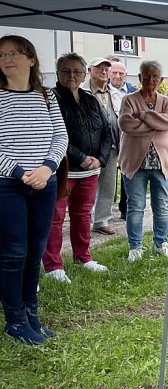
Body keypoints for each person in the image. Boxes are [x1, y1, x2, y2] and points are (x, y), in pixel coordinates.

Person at [0, 35, 68, 344]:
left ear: (31, 59)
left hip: (45, 183)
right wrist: (19, 172)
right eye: (1, 55)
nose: (7, 59)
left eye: (15, 53)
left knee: (34, 252)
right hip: (8, 186)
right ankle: (14, 319)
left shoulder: (47, 96)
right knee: (14, 253)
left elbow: (60, 137)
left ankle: (31, 313)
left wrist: (47, 168)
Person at [42, 54, 112, 284]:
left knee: (83, 215)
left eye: (76, 71)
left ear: (84, 74)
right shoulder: (50, 98)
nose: (71, 75)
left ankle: (83, 257)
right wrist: (80, 157)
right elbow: (53, 134)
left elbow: (106, 131)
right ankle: (53, 265)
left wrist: (100, 159)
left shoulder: (91, 99)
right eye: (66, 71)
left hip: (90, 171)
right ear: (58, 73)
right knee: (55, 217)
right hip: (63, 170)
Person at [119, 61, 168, 263]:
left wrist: (144, 117)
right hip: (135, 162)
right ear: (140, 77)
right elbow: (126, 124)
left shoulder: (167, 102)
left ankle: (160, 243)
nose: (151, 80)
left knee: (161, 205)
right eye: (147, 75)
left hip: (161, 163)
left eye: (155, 76)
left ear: (161, 80)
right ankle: (135, 247)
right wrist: (156, 123)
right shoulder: (129, 100)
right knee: (135, 206)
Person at [82, 57, 122, 236]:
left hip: (111, 146)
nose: (104, 72)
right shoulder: (82, 92)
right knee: (85, 185)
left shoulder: (114, 93)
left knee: (108, 186)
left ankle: (101, 221)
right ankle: (83, 220)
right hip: (88, 148)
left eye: (107, 69)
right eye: (99, 69)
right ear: (90, 70)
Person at [107, 57, 134, 220]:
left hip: (128, 139)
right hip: (108, 138)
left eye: (121, 73)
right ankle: (103, 212)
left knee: (127, 174)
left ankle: (125, 208)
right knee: (107, 177)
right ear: (109, 74)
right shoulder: (104, 91)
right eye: (114, 73)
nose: (118, 76)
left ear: (126, 75)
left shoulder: (133, 91)